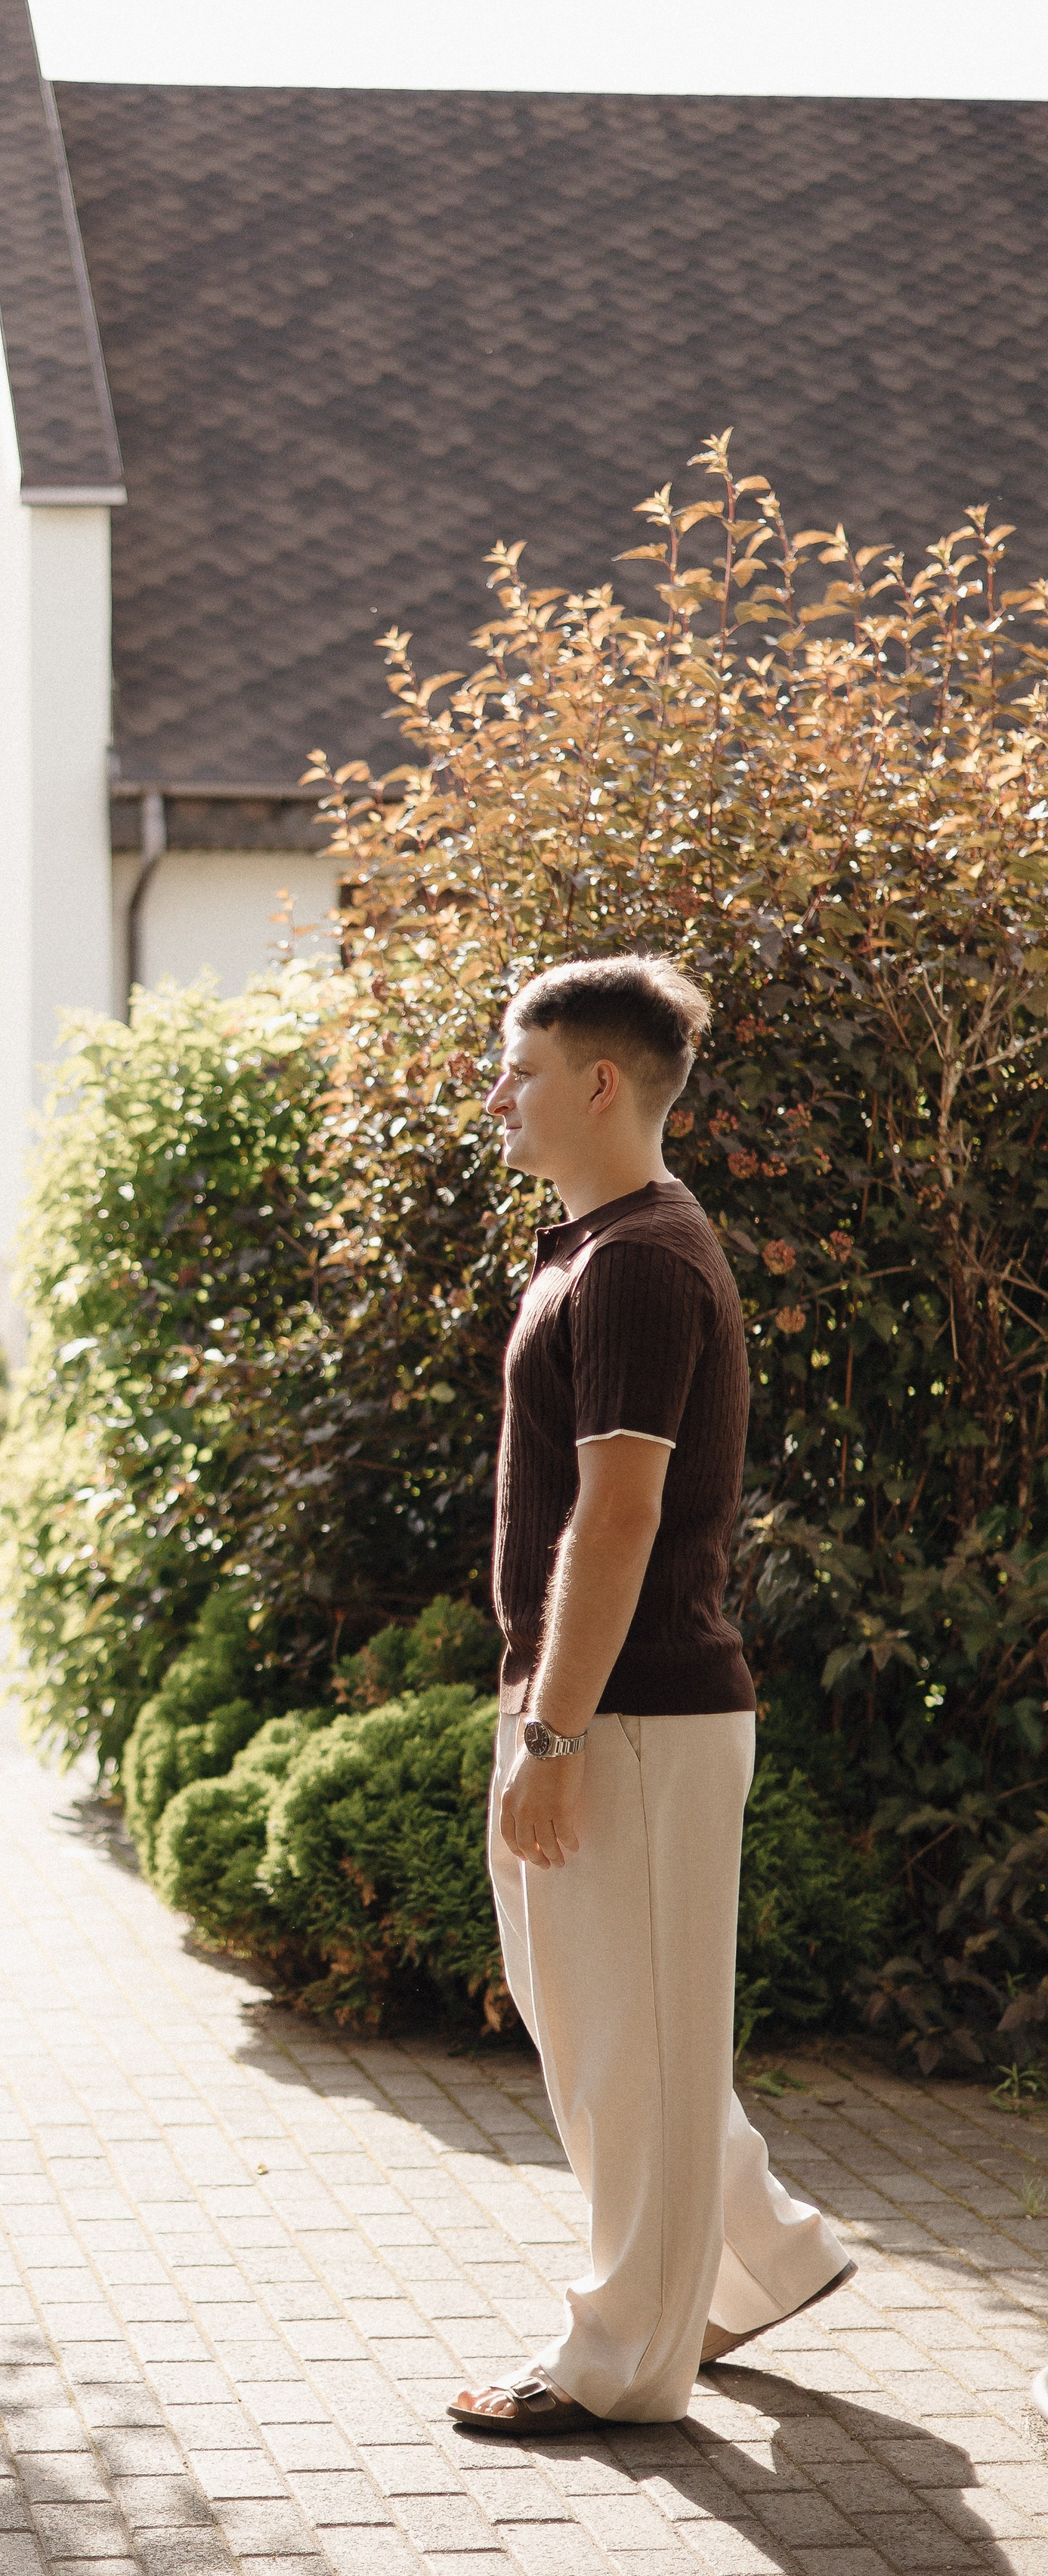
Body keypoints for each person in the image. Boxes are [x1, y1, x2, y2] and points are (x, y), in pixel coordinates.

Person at [447, 956, 851, 2435]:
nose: (498, 1093)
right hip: (589, 1704)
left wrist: (553, 1733)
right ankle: (764, 2256)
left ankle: (622, 2357)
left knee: (630, 2051)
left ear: (597, 1082)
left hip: (633, 1712)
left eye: (519, 1067)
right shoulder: (594, 1247)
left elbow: (616, 1517)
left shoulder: (637, 1263)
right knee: (604, 2030)